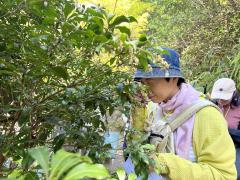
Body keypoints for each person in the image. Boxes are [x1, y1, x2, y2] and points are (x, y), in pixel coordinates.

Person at [124, 47, 237, 179]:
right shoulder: (154, 108)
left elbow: (223, 175)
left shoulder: (206, 115)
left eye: (149, 81)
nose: (144, 88)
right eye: (141, 82)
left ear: (174, 78)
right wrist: (138, 110)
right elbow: (139, 147)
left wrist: (166, 164)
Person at [211, 78, 240, 178]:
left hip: (234, 147)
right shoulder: (213, 104)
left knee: (235, 174)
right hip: (214, 146)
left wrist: (226, 130)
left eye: (224, 98)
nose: (221, 100)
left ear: (233, 93)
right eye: (218, 97)